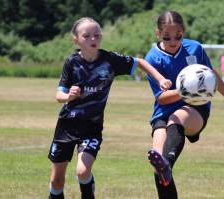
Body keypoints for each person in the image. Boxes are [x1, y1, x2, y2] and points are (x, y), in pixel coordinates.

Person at [47, 17, 172, 199]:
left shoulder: (110, 60)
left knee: (83, 171)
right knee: (57, 181)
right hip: (66, 126)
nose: (93, 39)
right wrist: (69, 96)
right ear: (76, 40)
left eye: (96, 35)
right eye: (87, 35)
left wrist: (160, 79)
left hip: (91, 128)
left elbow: (141, 63)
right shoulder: (71, 62)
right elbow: (59, 96)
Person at [145, 11, 224, 199]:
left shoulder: (195, 48)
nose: (173, 41)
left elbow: (211, 73)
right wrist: (183, 89)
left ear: (184, 31)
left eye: (178, 36)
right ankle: (164, 166)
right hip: (163, 112)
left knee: (176, 122)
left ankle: (167, 162)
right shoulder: (153, 59)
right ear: (158, 33)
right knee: (159, 165)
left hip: (195, 108)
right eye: (167, 37)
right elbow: (162, 98)